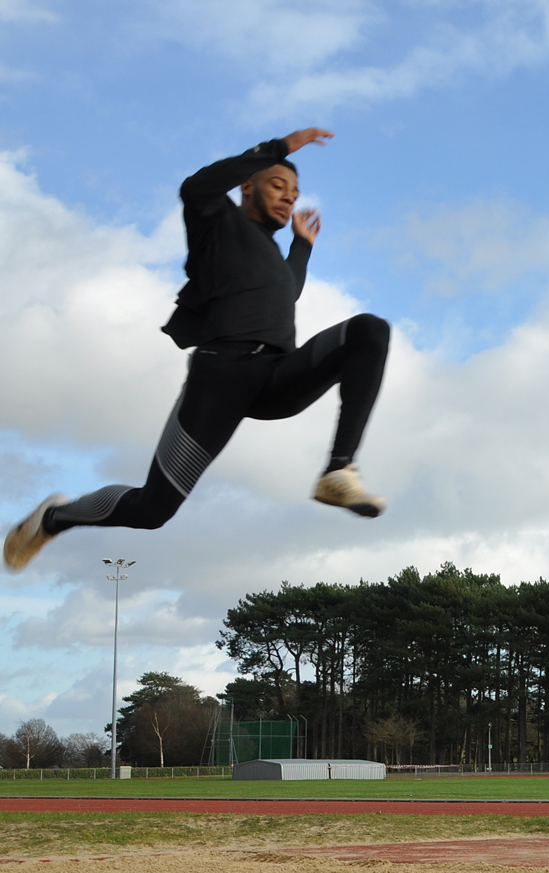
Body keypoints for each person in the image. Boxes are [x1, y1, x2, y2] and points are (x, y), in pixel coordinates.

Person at [4, 128, 390, 573]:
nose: (289, 198)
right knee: (153, 511)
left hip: (276, 377)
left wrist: (302, 246)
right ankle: (53, 519)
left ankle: (338, 469)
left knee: (368, 330)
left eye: (295, 192)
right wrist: (278, 149)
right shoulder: (217, 224)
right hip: (221, 379)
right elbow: (196, 187)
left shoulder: (271, 255)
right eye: (277, 186)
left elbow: (287, 292)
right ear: (248, 186)